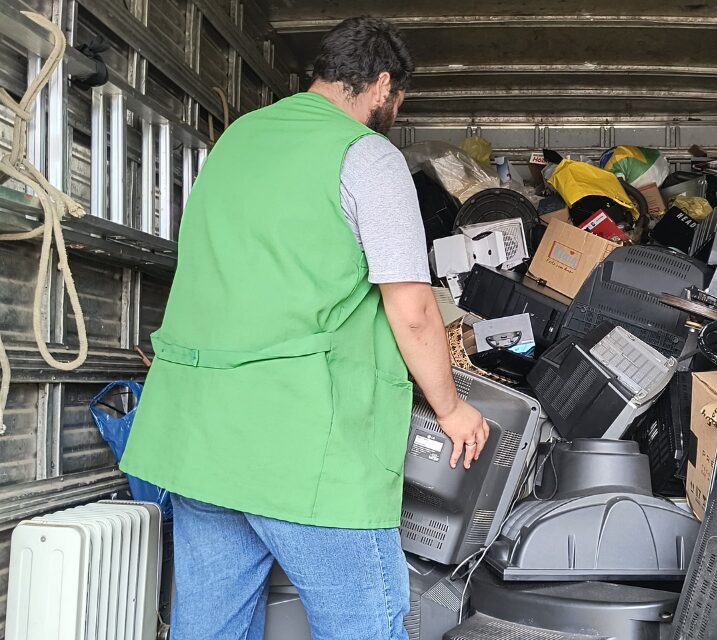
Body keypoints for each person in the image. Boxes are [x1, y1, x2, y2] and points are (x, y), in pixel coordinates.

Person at [120, 16, 488, 640]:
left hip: (201, 442)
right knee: (365, 627)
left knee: (205, 629)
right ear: (381, 85)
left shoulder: (237, 139)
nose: (393, 111)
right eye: (397, 99)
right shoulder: (367, 155)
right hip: (305, 451)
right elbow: (413, 307)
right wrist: (451, 409)